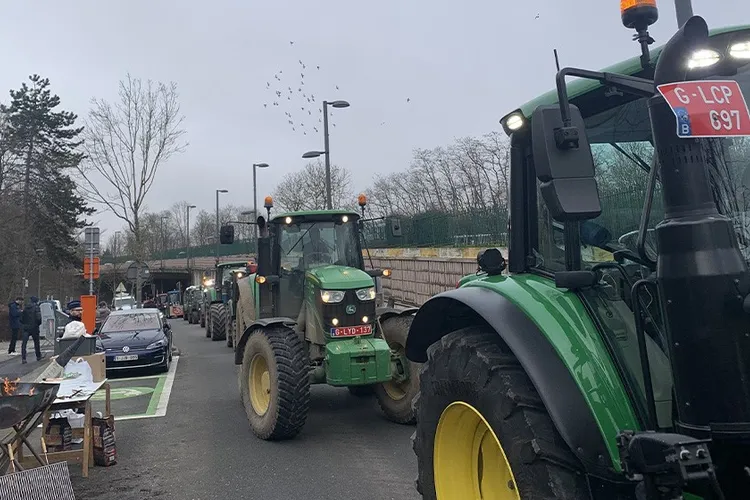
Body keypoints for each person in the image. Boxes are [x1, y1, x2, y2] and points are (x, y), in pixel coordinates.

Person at [21, 296, 43, 364]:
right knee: (36, 342)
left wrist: (24, 324)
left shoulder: (25, 307)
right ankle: (38, 356)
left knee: (24, 343)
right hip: (34, 327)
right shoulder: (36, 307)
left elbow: (21, 318)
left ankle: (23, 358)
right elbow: (38, 318)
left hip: (26, 327)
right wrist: (38, 324)